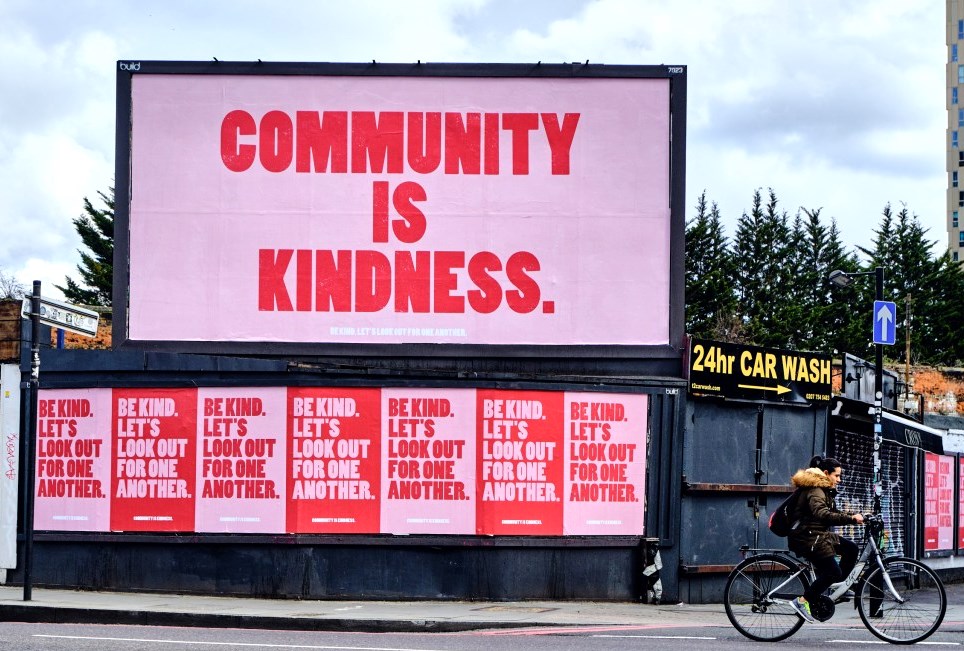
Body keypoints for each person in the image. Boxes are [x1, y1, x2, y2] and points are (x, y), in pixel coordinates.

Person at [787, 455, 864, 623]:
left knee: (851, 549)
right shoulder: (815, 489)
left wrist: (857, 517)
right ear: (826, 473)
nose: (839, 480)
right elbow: (822, 514)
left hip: (817, 534)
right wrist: (851, 519)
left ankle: (837, 588)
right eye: (837, 475)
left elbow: (834, 513)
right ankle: (802, 601)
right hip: (807, 537)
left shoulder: (824, 489)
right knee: (833, 572)